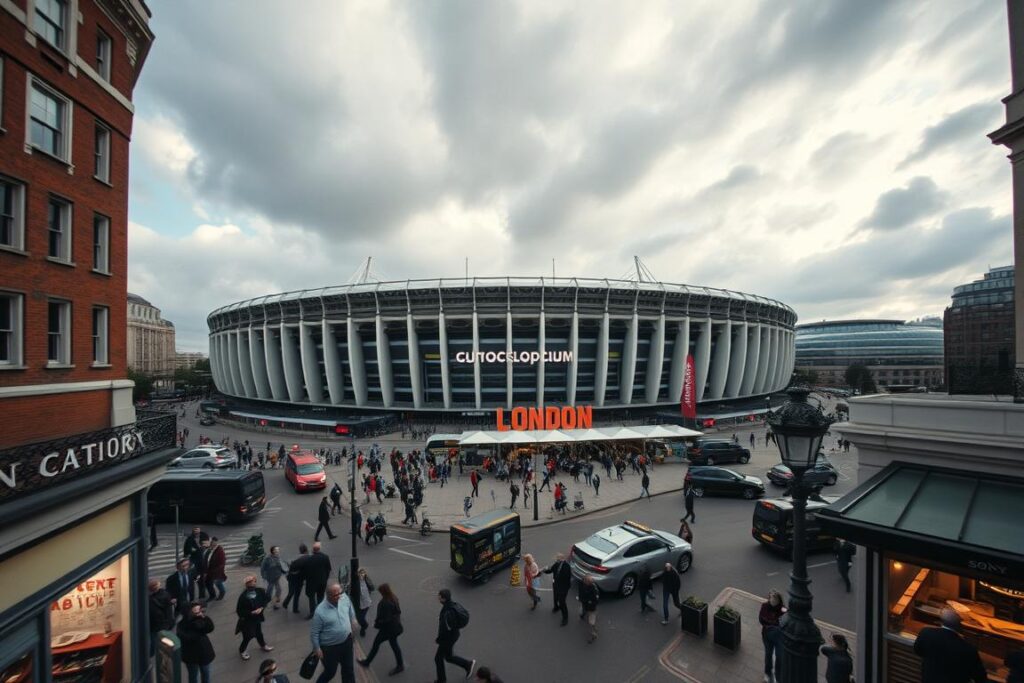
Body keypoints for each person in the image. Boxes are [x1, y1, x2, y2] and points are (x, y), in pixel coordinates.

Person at [913, 607, 989, 683]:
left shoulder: (926, 633)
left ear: (941, 621)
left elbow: (918, 651)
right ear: (960, 625)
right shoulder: (969, 649)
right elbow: (980, 678)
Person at [311, 583, 360, 683]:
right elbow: (314, 632)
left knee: (349, 670)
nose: (339, 596)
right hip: (330, 648)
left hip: (346, 642)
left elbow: (350, 607)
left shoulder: (344, 597)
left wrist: (353, 618)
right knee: (330, 672)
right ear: (328, 596)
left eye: (340, 593)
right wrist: (317, 648)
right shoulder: (320, 611)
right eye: (335, 595)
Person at [357, 582, 404, 676]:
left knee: (376, 645)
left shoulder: (385, 603)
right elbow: (398, 611)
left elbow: (385, 619)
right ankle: (400, 665)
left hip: (387, 630)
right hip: (396, 627)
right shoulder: (393, 598)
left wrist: (377, 623)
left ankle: (367, 662)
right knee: (394, 645)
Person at [435, 589, 476, 682]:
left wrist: (439, 640)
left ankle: (441, 680)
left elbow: (444, 630)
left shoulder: (447, 613)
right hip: (454, 635)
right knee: (448, 657)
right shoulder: (452, 605)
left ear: (444, 599)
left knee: (438, 659)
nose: (438, 597)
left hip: (447, 639)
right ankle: (467, 664)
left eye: (439, 596)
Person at [235, 575, 273, 661]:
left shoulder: (260, 591)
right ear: (246, 585)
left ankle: (263, 645)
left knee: (259, 633)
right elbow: (239, 611)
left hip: (257, 618)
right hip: (247, 621)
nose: (253, 584)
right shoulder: (243, 597)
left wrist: (262, 608)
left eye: (254, 582)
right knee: (248, 636)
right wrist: (251, 613)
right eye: (250, 583)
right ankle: (242, 650)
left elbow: (267, 598)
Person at [177, 601, 215, 683]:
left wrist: (203, 617)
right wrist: (198, 627)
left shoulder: (199, 618)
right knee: (193, 675)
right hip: (191, 655)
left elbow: (210, 627)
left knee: (205, 673)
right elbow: (188, 638)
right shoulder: (182, 625)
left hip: (203, 653)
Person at [759, 590, 785, 683]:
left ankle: (778, 676)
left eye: (774, 598)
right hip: (767, 635)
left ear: (778, 600)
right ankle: (767, 673)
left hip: (779, 638)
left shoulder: (782, 609)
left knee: (779, 657)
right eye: (771, 598)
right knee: (768, 654)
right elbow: (761, 620)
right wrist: (774, 624)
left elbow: (784, 623)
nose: (772, 600)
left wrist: (771, 624)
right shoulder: (764, 606)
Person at [543, 553, 573, 626]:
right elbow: (551, 570)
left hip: (563, 588)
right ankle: (556, 607)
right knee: (555, 597)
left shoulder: (567, 567)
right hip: (556, 585)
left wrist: (558, 580)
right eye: (557, 559)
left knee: (562, 602)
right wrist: (545, 570)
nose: (556, 560)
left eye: (558, 559)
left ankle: (565, 618)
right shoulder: (557, 564)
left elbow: (566, 578)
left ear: (562, 559)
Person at [304, 542, 332, 618]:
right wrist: (325, 578)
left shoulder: (309, 559)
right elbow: (328, 569)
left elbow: (306, 571)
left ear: (313, 550)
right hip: (322, 581)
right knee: (320, 596)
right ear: (319, 549)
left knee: (311, 598)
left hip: (312, 582)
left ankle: (312, 613)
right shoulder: (325, 557)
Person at [148, 579, 176, 656]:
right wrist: (169, 622)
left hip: (154, 623)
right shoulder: (165, 595)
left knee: (153, 639)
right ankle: (161, 652)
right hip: (162, 622)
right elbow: (169, 610)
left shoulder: (149, 597)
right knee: (162, 638)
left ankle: (152, 653)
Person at [283, 544, 308, 613]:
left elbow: (289, 568)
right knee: (297, 594)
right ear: (306, 551)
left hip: (292, 579)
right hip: (299, 579)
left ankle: (286, 603)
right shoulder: (305, 559)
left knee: (291, 592)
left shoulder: (295, 559)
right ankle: (294, 608)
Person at [260, 546, 286, 610]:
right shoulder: (267, 558)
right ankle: (266, 603)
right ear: (273, 551)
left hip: (276, 577)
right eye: (276, 549)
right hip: (270, 578)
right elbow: (262, 568)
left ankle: (275, 602)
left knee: (278, 590)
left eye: (278, 549)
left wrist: (285, 571)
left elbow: (281, 566)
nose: (278, 550)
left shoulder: (278, 557)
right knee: (270, 591)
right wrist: (263, 576)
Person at [578, 575, 600, 643]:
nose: (585, 582)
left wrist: (586, 601)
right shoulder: (582, 583)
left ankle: (593, 634)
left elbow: (595, 601)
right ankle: (583, 614)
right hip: (584, 604)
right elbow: (580, 591)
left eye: (587, 582)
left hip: (591, 608)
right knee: (582, 611)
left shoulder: (593, 589)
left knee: (591, 622)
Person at [353, 568, 374, 637]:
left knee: (361, 618)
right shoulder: (354, 582)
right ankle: (364, 625)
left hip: (366, 603)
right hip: (358, 604)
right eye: (360, 573)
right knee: (359, 618)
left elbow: (372, 587)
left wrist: (366, 580)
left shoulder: (366, 580)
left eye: (363, 573)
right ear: (357, 574)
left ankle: (363, 627)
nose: (362, 574)